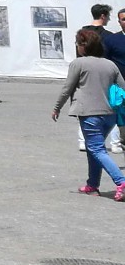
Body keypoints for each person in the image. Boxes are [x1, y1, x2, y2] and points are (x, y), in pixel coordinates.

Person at [51, 27, 125, 200]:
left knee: (96, 149)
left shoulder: (79, 63)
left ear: (83, 46)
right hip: (110, 115)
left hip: (89, 113)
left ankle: (121, 181)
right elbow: (123, 87)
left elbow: (67, 88)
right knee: (94, 149)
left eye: (78, 44)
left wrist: (57, 107)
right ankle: (92, 185)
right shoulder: (110, 64)